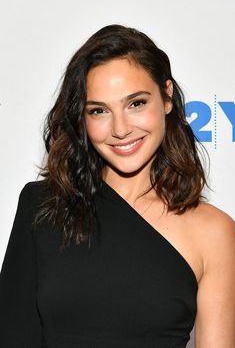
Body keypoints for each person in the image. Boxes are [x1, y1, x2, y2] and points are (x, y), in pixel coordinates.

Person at [0, 24, 234, 348]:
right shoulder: (42, 206)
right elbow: (13, 334)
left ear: (166, 97)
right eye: (99, 110)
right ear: (82, 119)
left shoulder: (214, 232)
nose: (120, 129)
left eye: (136, 103)